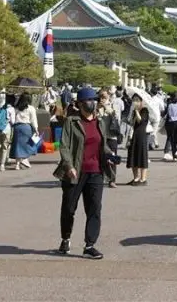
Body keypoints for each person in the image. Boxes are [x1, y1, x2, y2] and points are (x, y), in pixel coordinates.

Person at [53, 87, 114, 260]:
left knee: (94, 208)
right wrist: (69, 165)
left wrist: (109, 155)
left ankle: (90, 245)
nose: (92, 103)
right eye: (88, 100)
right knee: (69, 208)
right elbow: (64, 146)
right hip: (75, 172)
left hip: (96, 172)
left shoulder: (99, 122)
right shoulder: (71, 122)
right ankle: (65, 238)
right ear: (80, 104)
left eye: (94, 100)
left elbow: (102, 144)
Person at [10, 92, 38, 170]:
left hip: (17, 128)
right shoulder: (31, 108)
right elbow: (33, 120)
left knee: (17, 146)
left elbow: (13, 119)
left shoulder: (16, 108)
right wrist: (36, 129)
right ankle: (25, 160)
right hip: (26, 127)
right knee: (28, 145)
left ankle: (17, 164)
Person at [126, 95, 150, 186]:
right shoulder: (133, 112)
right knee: (133, 156)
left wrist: (136, 111)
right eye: (133, 100)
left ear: (141, 101)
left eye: (137, 100)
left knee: (142, 156)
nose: (135, 102)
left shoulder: (144, 110)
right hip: (133, 136)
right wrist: (133, 112)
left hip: (141, 136)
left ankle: (143, 179)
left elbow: (141, 121)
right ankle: (136, 178)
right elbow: (131, 122)